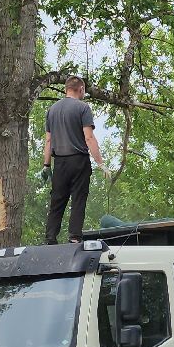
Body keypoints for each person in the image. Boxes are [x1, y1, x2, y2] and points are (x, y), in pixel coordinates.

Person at [42, 76, 102, 244]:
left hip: (59, 162)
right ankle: (74, 237)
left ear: (66, 89)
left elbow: (48, 141)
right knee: (78, 199)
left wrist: (46, 165)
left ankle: (50, 238)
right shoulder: (83, 108)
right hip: (79, 160)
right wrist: (100, 162)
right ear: (81, 89)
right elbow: (89, 138)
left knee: (57, 200)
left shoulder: (52, 110)